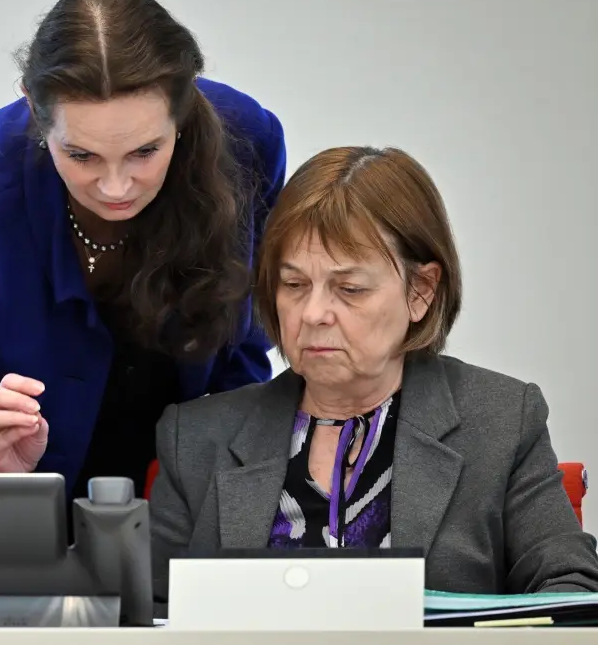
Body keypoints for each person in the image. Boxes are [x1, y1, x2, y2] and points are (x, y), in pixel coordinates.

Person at [0, 0, 286, 594]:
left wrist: (218, 483)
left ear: (182, 111)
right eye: (80, 154)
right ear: (32, 107)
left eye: (144, 152)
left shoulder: (247, 144)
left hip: (169, 525)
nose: (114, 187)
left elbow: (242, 345)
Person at [149, 146, 598, 614]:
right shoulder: (196, 438)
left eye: (350, 289)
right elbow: (146, 617)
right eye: (294, 285)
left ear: (420, 291)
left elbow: (570, 592)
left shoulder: (501, 421)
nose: (314, 314)